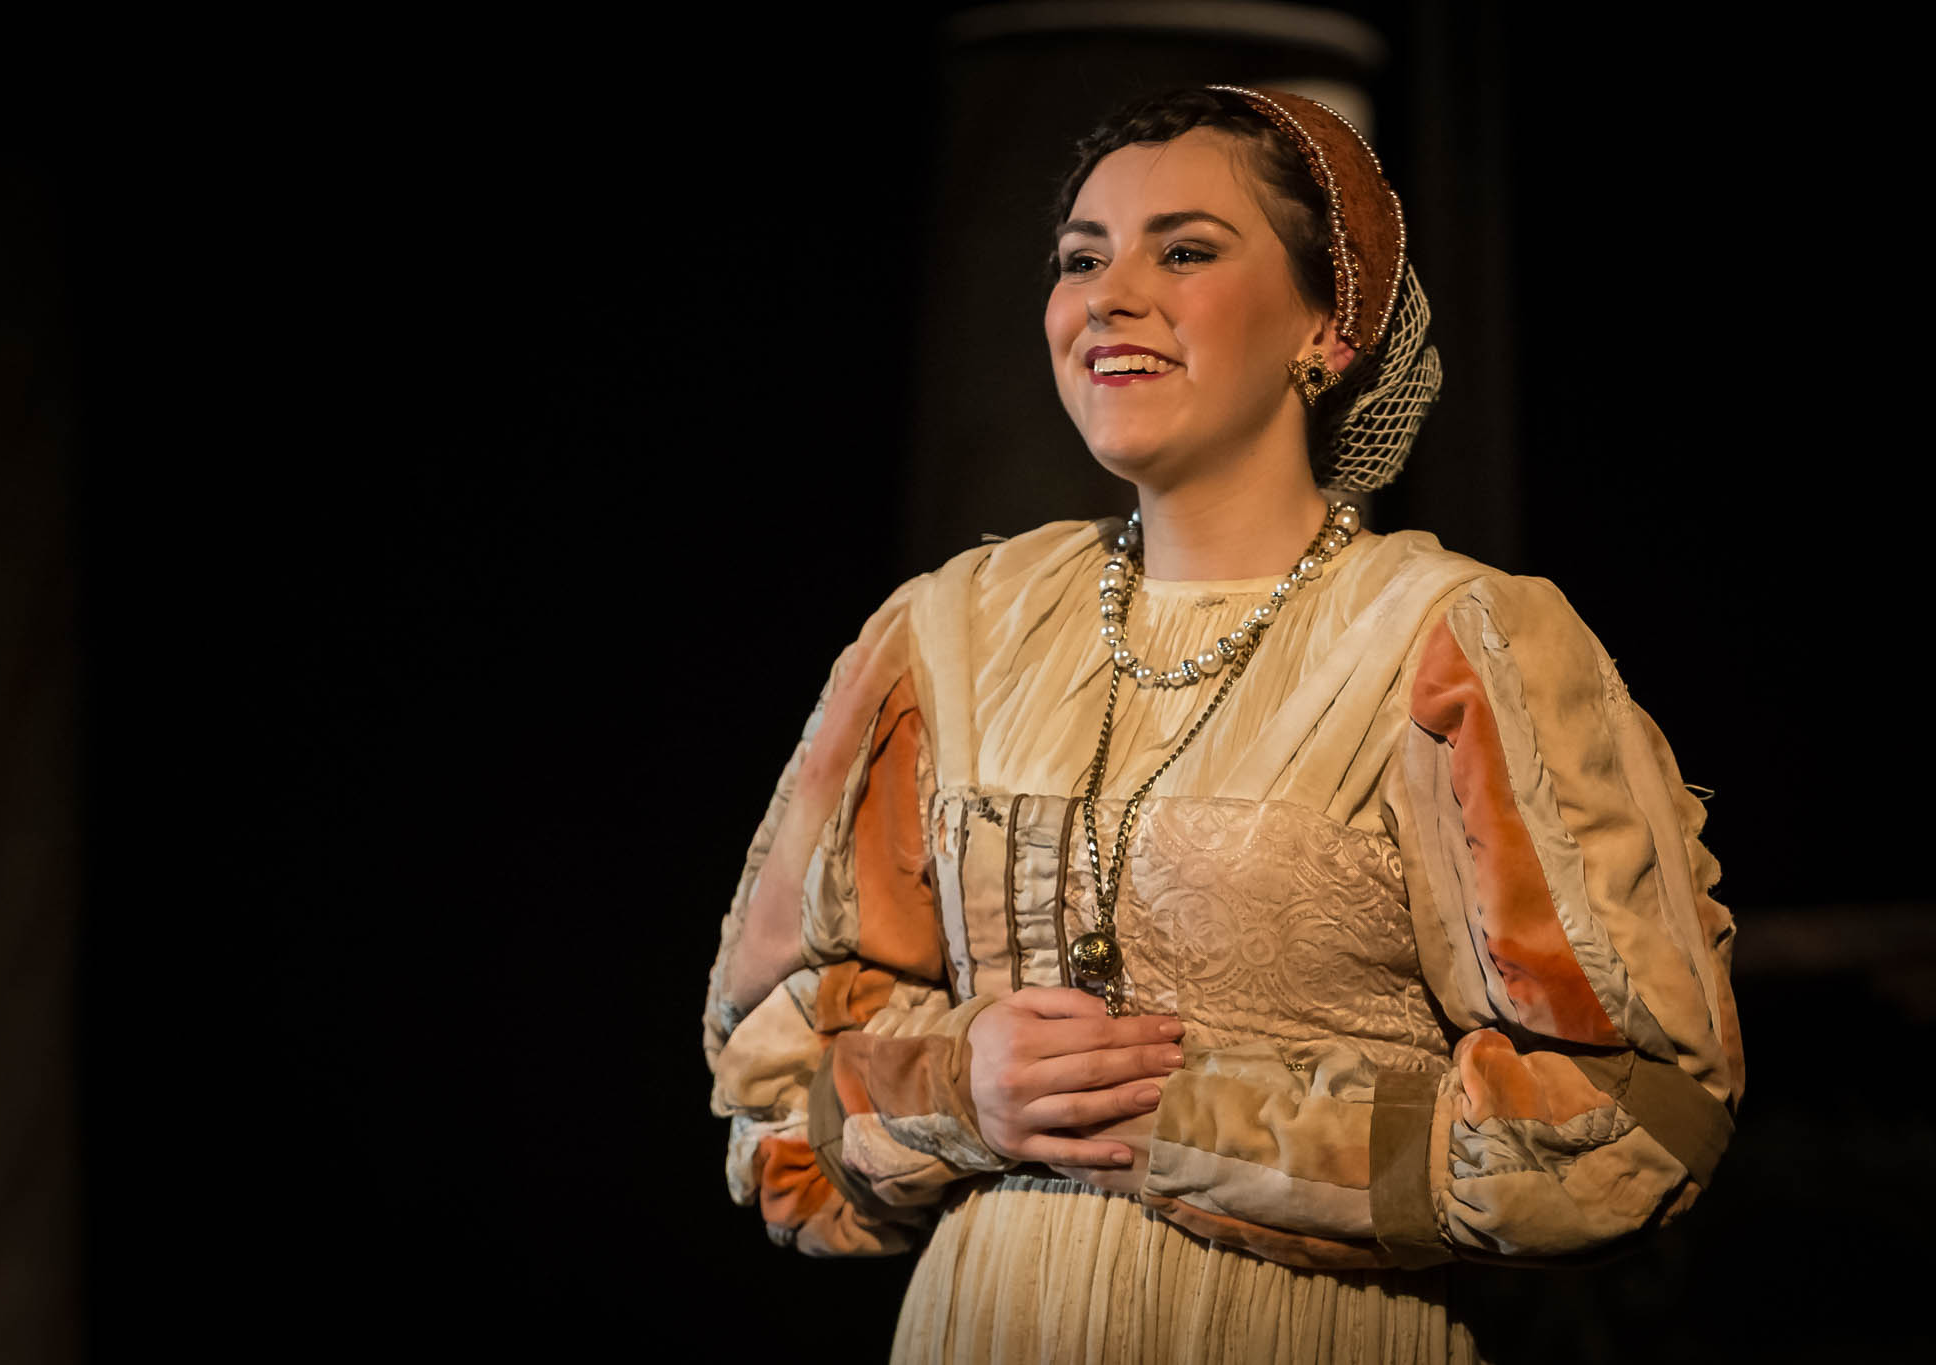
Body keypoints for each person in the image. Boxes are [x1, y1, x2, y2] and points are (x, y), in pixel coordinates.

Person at [701, 85, 1743, 1364]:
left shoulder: (1456, 641)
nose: (1109, 294)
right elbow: (774, 1098)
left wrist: (1192, 1119)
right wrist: (962, 1089)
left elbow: (1634, 1115)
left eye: (1183, 250)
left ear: (1327, 327)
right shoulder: (947, 633)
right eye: (1080, 258)